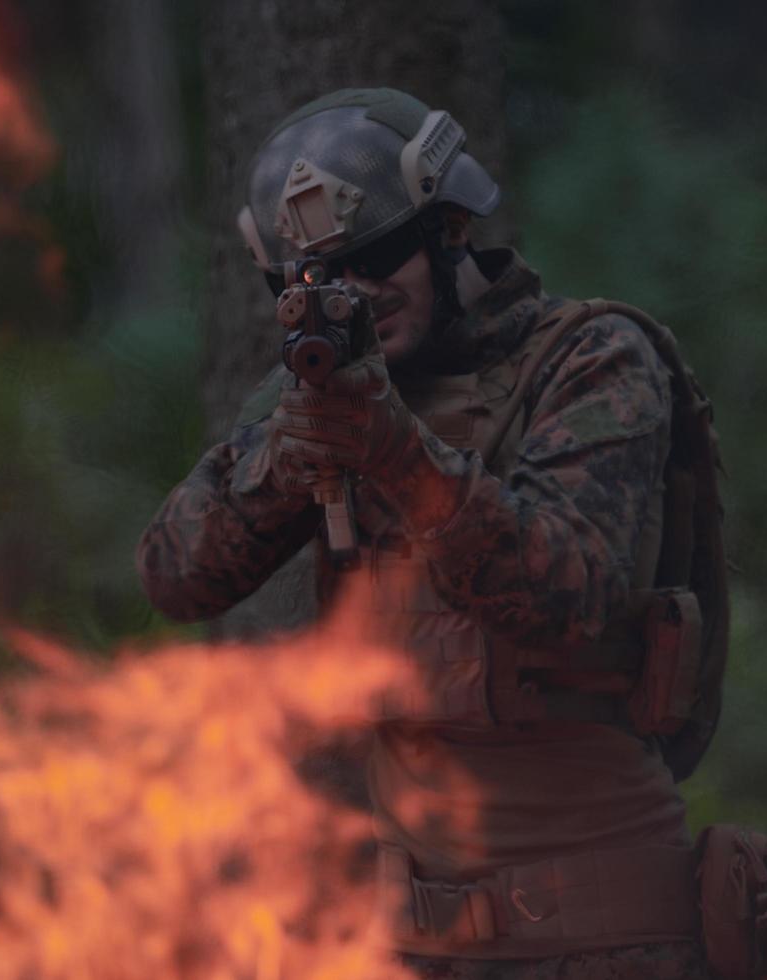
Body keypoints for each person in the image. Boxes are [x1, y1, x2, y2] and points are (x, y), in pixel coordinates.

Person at [137, 87, 718, 979]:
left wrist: (399, 458)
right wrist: (293, 455)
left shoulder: (592, 360)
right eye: (318, 281)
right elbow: (177, 573)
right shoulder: (325, 396)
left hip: (597, 933)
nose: (357, 294)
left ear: (448, 232)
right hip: (409, 943)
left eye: (376, 257)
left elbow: (571, 595)